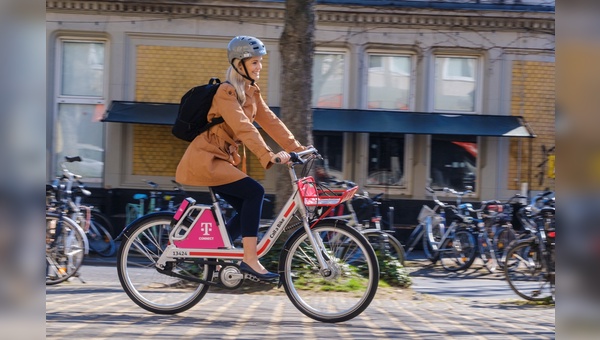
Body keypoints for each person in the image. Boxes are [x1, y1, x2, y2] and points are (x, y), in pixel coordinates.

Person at [175, 36, 306, 280]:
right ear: (238, 63)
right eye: (254, 62)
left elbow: (271, 122)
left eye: (260, 62)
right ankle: (249, 259)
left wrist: (298, 148)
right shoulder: (226, 92)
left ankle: (214, 251)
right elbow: (244, 127)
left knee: (250, 205)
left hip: (223, 160)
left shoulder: (251, 92)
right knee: (255, 193)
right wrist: (269, 155)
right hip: (207, 159)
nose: (259, 67)